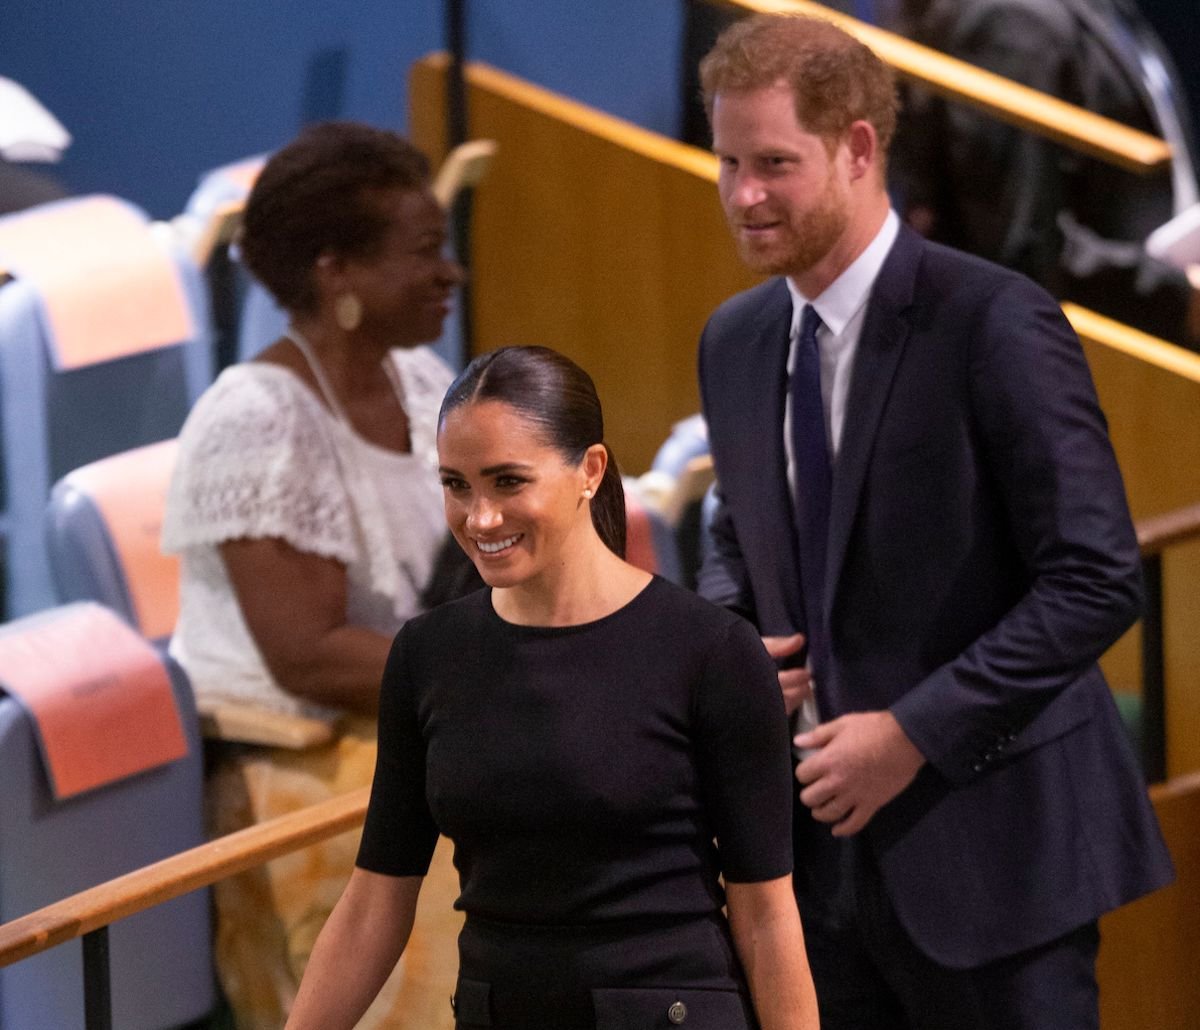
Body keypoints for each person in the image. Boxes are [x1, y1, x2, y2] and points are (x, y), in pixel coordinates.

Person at [696, 13, 1173, 1029]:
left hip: (998, 864)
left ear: (859, 146)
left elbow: (1095, 577)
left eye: (774, 162)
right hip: (816, 881)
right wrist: (739, 638)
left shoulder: (994, 320)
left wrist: (914, 733)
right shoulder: (734, 340)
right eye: (727, 160)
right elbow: (738, 532)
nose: (743, 194)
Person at [286, 345, 819, 1030]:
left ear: (589, 471)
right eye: (456, 485)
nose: (479, 518)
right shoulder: (428, 655)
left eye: (508, 482)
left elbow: (766, 917)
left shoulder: (710, 653)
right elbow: (375, 900)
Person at [161, 121, 472, 1029]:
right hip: (294, 767)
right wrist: (495, 680)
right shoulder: (256, 420)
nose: (450, 273)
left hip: (405, 725)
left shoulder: (420, 379)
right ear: (336, 273)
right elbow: (309, 657)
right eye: (423, 253)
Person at [889, 0, 1200, 348]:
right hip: (1082, 362)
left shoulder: (1111, 11)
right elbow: (1023, 246)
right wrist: (1176, 294)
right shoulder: (1010, 20)